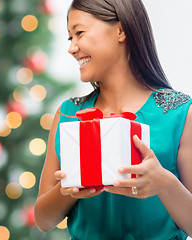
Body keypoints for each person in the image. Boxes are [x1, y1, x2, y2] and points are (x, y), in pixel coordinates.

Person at [34, 0, 192, 239]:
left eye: (79, 33)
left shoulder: (179, 113)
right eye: (70, 38)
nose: (72, 47)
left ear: (120, 30)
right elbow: (43, 220)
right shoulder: (68, 114)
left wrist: (164, 183)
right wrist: (68, 191)